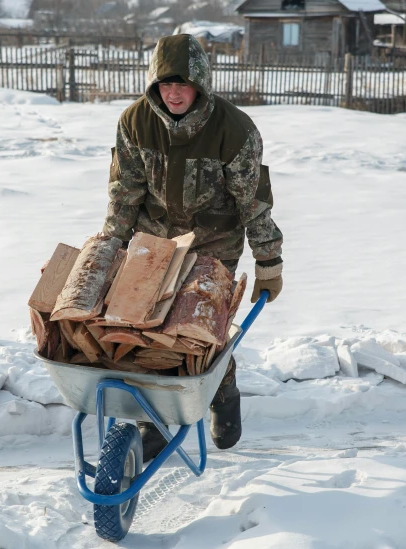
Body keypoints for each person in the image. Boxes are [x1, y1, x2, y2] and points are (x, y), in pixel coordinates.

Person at [102, 34, 284, 461]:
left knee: (201, 329)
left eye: (184, 84)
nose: (175, 93)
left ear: (201, 85)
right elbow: (123, 194)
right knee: (144, 328)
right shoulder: (135, 122)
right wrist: (111, 249)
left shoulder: (234, 130)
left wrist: (268, 262)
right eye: (166, 84)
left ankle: (222, 391)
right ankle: (151, 421)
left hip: (213, 240)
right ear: (154, 86)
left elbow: (254, 204)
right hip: (155, 238)